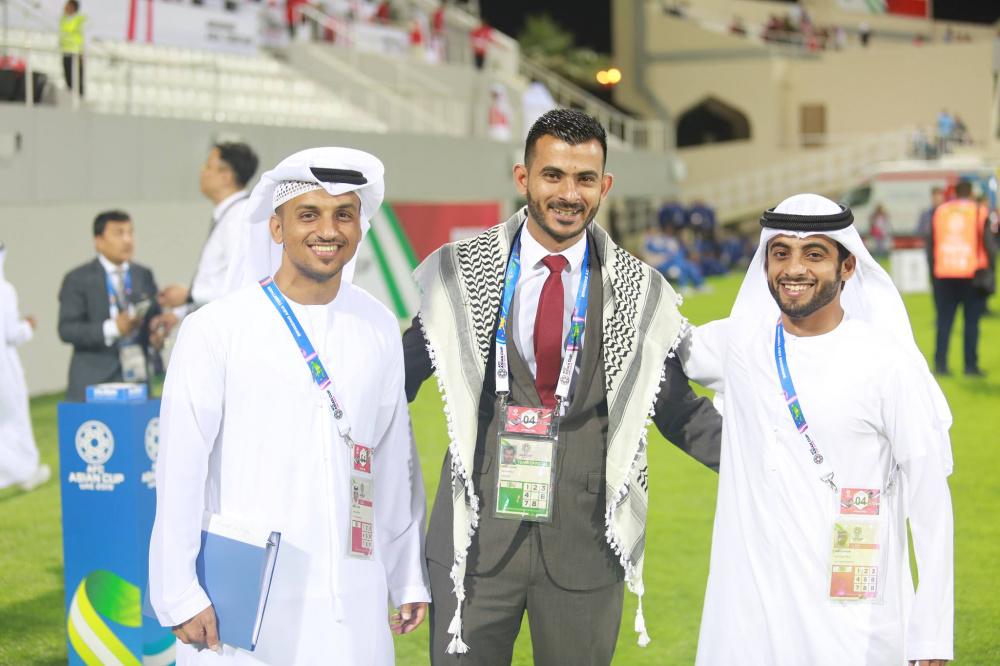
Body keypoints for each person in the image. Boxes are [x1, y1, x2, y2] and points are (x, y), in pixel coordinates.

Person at [404, 108, 722, 664]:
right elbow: (396, 377)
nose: (569, 194)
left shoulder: (637, 291)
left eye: (584, 179)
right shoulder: (462, 273)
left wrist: (778, 460)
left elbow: (678, 410)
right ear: (523, 177)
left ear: (605, 186)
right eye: (553, 175)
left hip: (586, 544)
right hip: (474, 542)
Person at [149, 147, 430, 665]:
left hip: (353, 593)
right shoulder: (216, 329)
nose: (328, 230)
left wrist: (407, 572)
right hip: (247, 599)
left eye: (343, 214)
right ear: (276, 228)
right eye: (308, 214)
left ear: (360, 228)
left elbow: (393, 460)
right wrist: (179, 591)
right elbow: (180, 470)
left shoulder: (377, 324)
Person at [680, 193, 954, 665]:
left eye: (814, 254)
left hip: (855, 618)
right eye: (780, 252)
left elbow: (930, 497)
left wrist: (930, 632)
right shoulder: (740, 343)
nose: (794, 269)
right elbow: (653, 343)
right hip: (753, 619)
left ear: (847, 266)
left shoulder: (887, 363)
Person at [58, 210, 161, 402]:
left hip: (137, 378)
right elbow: (67, 329)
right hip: (94, 379)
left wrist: (157, 331)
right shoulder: (78, 279)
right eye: (119, 233)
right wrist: (113, 328)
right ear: (98, 240)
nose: (127, 240)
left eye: (130, 232)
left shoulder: (143, 274)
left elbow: (154, 316)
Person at [158, 143, 260, 311]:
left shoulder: (239, 217)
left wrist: (189, 295)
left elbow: (243, 282)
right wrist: (180, 311)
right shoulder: (231, 213)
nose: (202, 171)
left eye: (208, 166)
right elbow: (219, 279)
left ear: (226, 176)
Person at [929, 180, 994, 376]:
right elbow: (989, 245)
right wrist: (991, 272)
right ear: (971, 193)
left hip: (944, 273)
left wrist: (933, 272)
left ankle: (940, 364)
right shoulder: (978, 211)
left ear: (955, 193)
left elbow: (930, 244)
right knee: (971, 323)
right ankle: (970, 366)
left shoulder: (941, 212)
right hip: (971, 273)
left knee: (944, 322)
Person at [0, 243, 50, 492]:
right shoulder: (5, 290)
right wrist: (28, 326)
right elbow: (11, 334)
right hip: (5, 372)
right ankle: (26, 471)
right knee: (16, 421)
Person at [59, 0, 85, 97]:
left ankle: (79, 100)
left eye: (67, 5)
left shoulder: (79, 19)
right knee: (68, 78)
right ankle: (71, 98)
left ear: (73, 7)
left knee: (77, 79)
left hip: (76, 53)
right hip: (66, 52)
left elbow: (83, 38)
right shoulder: (63, 19)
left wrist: (81, 53)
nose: (65, 7)